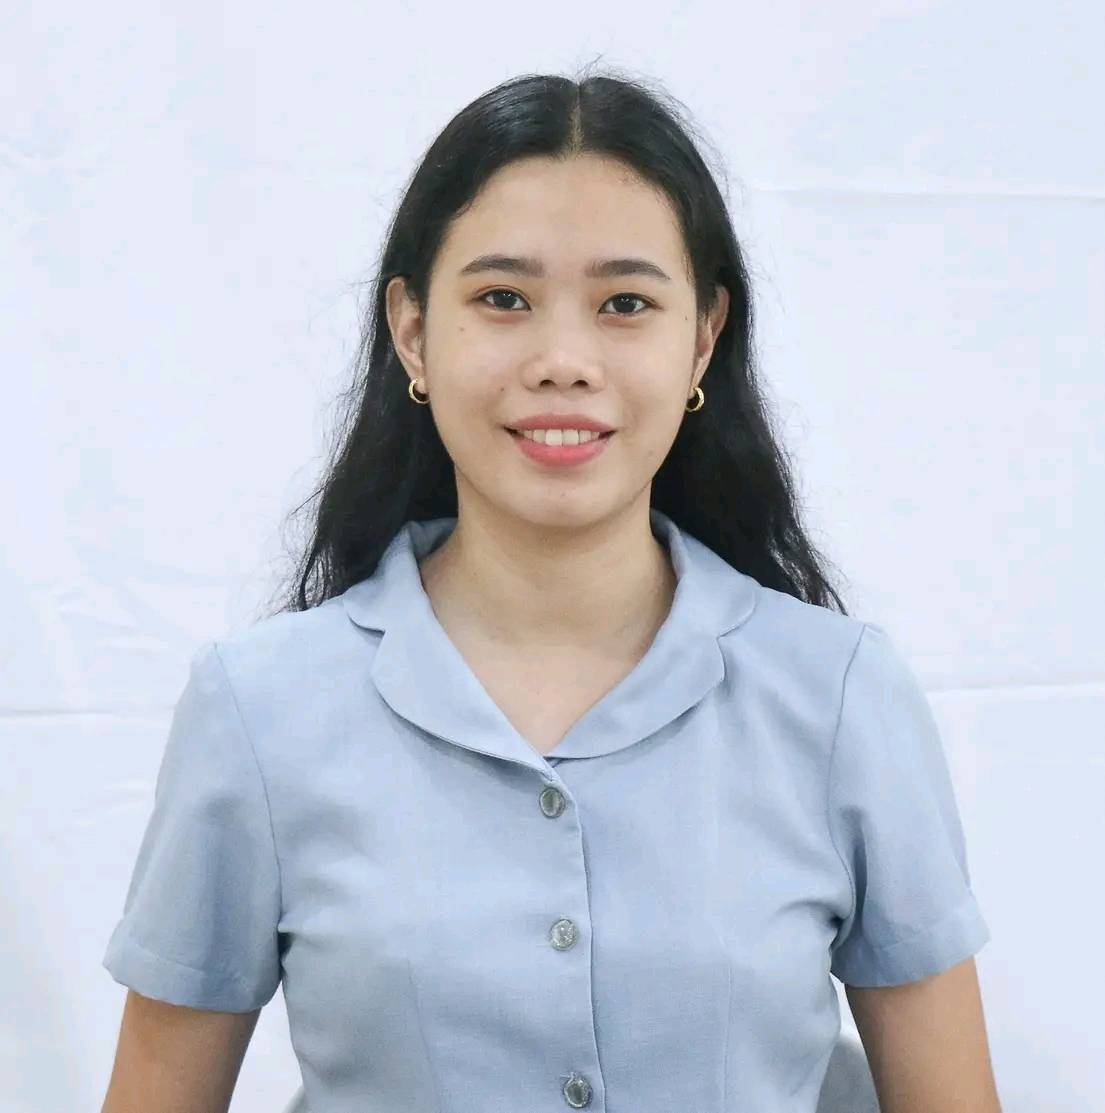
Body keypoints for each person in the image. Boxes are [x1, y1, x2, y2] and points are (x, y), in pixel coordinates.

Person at [100, 65, 1002, 1113]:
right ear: (412, 332)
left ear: (702, 336)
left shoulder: (839, 694)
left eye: (625, 303)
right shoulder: (259, 708)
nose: (563, 359)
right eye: (502, 299)